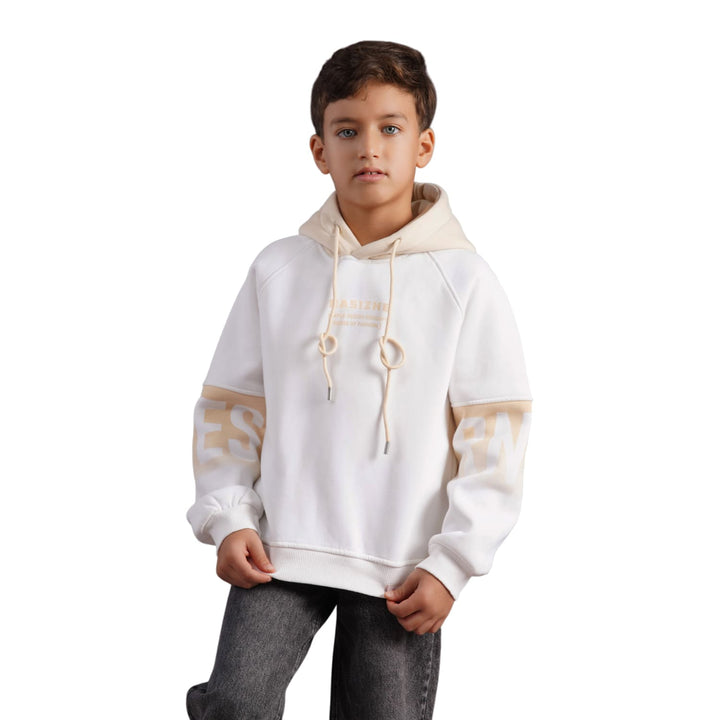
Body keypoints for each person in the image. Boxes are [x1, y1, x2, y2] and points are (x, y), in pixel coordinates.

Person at [185, 40, 532, 720]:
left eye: (390, 128)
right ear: (320, 150)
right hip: (281, 548)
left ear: (424, 145)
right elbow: (231, 407)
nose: (369, 147)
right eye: (347, 130)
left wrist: (454, 560)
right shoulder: (278, 270)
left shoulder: (465, 281)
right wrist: (227, 517)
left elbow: (495, 431)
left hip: (403, 565)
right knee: (235, 704)